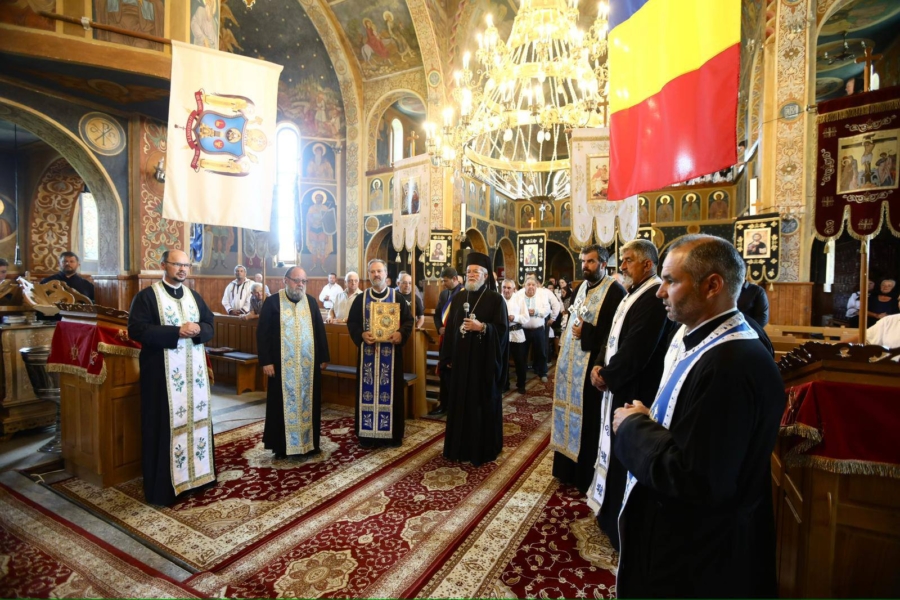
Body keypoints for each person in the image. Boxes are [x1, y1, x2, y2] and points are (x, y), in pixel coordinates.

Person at [612, 234, 784, 597]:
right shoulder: (704, 339)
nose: (660, 292)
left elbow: (695, 477)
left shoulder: (731, 364)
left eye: (671, 281)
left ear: (712, 286)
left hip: (702, 555)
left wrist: (632, 425)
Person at [587, 238, 677, 550]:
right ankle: (608, 511)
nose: (622, 266)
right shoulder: (633, 293)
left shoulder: (653, 296)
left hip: (635, 388)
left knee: (624, 451)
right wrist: (599, 364)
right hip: (619, 382)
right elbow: (612, 336)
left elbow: (637, 348)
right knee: (613, 448)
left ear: (647, 264)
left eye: (628, 260)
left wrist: (608, 376)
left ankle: (619, 521)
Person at [127, 250, 215, 506]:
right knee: (164, 425)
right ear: (163, 265)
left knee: (196, 421)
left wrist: (199, 329)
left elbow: (210, 324)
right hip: (161, 377)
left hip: (195, 377)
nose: (182, 269)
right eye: (177, 264)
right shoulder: (147, 296)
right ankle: (165, 487)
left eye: (186, 265)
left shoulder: (193, 297)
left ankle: (198, 478)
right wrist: (176, 331)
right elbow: (136, 330)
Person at [551, 245, 625, 494]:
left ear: (603, 264)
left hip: (591, 364)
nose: (585, 266)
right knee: (566, 413)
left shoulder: (615, 291)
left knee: (588, 418)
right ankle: (566, 469)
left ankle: (584, 474)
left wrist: (587, 332)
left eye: (591, 262)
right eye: (584, 261)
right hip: (570, 363)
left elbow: (614, 333)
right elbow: (572, 319)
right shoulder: (581, 287)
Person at [440, 252, 509, 466]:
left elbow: (502, 331)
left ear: (486, 276)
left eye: (476, 272)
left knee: (480, 405)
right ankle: (459, 447)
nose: (471, 275)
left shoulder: (496, 300)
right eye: (468, 271)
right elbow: (450, 330)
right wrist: (447, 356)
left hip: (483, 365)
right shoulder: (459, 298)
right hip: (461, 363)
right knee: (460, 403)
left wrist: (483, 327)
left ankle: (482, 448)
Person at [258, 267, 330, 458]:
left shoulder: (311, 302)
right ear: (285, 280)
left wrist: (324, 357)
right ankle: (282, 447)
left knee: (310, 403)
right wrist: (266, 361)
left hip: (308, 366)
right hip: (281, 367)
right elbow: (263, 334)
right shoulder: (273, 302)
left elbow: (319, 331)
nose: (300, 285)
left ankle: (310, 444)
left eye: (303, 281)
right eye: (296, 280)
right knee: (280, 405)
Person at [347, 259, 413, 447]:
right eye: (372, 272)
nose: (376, 274)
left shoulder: (397, 297)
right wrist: (361, 334)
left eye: (379, 271)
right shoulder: (361, 299)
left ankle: (393, 436)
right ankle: (367, 436)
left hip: (391, 356)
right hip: (368, 356)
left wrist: (401, 334)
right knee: (365, 393)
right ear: (368, 275)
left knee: (392, 394)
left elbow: (409, 321)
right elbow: (352, 323)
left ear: (386, 273)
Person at [430, 267, 463, 416]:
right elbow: (437, 315)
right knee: (444, 372)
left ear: (455, 279)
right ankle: (443, 403)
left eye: (445, 281)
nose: (443, 284)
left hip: (457, 340)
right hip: (444, 340)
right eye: (442, 281)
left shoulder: (464, 294)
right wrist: (439, 328)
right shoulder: (443, 294)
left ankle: (456, 406)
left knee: (456, 373)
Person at [517, 275, 553, 383]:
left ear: (536, 286)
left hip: (538, 329)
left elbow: (547, 309)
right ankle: (521, 376)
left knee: (541, 352)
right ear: (524, 286)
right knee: (522, 353)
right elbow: (515, 310)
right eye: (529, 284)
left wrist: (536, 312)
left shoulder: (542, 295)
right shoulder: (518, 295)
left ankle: (543, 373)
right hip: (523, 330)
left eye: (533, 285)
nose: (531, 287)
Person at [502, 278, 530, 393]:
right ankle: (505, 384)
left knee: (520, 362)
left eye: (509, 288)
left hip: (517, 334)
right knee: (503, 362)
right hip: (503, 335)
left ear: (514, 289)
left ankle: (521, 385)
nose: (506, 290)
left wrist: (515, 317)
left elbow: (526, 318)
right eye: (504, 287)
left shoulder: (519, 299)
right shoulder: (498, 299)